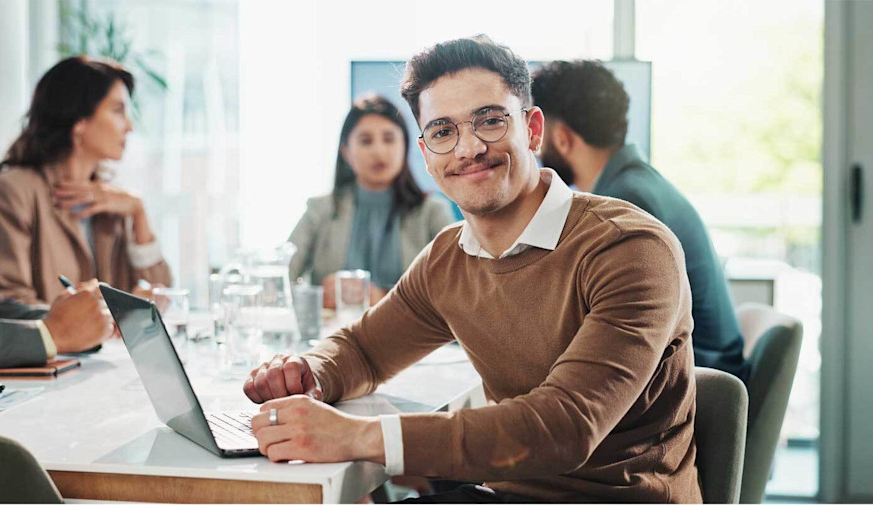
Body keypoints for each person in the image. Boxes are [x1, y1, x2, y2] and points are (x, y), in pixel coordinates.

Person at [242, 36, 702, 503]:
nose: (468, 148)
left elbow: (565, 426)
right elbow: (364, 350)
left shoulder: (630, 247)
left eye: (490, 121)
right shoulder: (449, 258)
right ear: (426, 155)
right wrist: (310, 372)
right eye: (443, 131)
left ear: (533, 129)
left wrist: (358, 436)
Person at [532, 59, 750, 382]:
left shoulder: (624, 203)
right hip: (702, 371)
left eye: (538, 131)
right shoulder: (635, 184)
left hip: (697, 386)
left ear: (562, 137)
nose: (534, 148)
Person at [0, 56, 171, 305]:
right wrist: (102, 316)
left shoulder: (113, 201)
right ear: (79, 122)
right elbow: (9, 306)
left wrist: (139, 211)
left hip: (106, 346)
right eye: (118, 110)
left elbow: (161, 295)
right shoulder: (11, 193)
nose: (130, 127)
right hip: (48, 346)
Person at [0, 61, 115, 374]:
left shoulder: (109, 198)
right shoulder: (14, 190)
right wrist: (51, 334)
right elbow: (6, 295)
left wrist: (82, 318)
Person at [288, 94, 455, 308]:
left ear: (405, 146)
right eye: (366, 141)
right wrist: (317, 297)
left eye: (389, 139)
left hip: (410, 339)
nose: (379, 151)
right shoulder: (319, 210)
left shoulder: (432, 212)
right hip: (334, 335)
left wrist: (383, 297)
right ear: (346, 151)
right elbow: (280, 280)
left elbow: (454, 293)